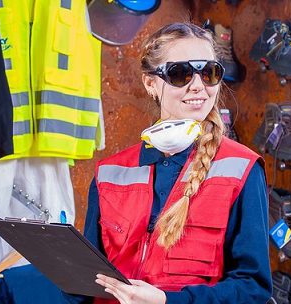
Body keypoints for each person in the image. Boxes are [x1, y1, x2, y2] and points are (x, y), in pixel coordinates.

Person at [66, 22, 272, 304]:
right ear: (151, 83)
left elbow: (253, 289)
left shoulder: (241, 168)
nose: (198, 86)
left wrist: (166, 301)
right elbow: (86, 284)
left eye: (209, 73)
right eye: (180, 74)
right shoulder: (111, 174)